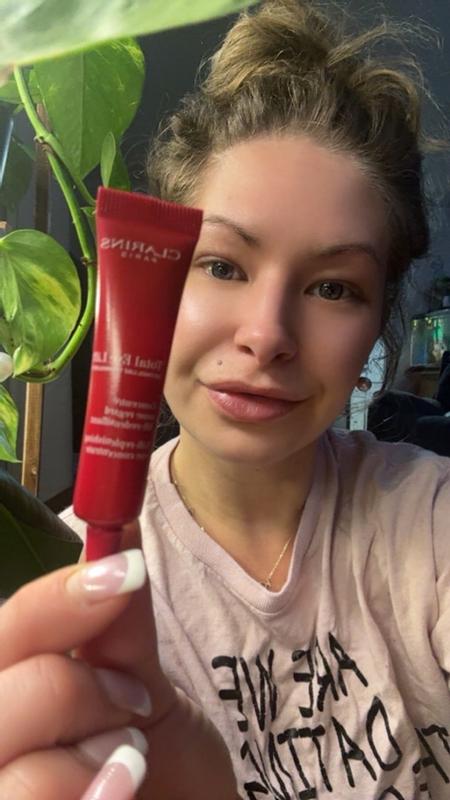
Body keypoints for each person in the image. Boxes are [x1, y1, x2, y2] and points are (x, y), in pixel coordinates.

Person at [1, 0, 449, 798]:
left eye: (333, 287)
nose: (266, 334)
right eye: (223, 266)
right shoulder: (66, 579)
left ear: (377, 325)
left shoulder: (429, 521)